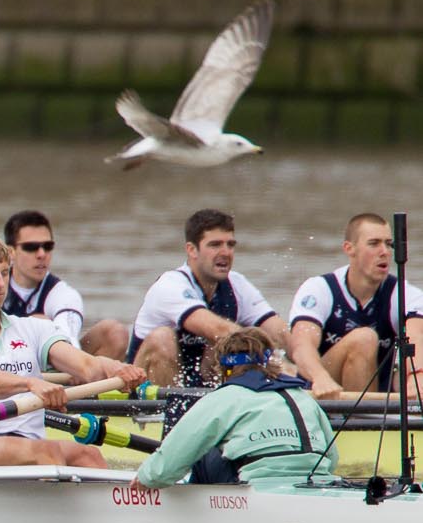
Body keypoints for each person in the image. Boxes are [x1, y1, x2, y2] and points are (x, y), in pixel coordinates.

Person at [0, 232, 148, 469]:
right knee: (47, 453)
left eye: (4, 273)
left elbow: (86, 366)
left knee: (88, 455)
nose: (0, 283)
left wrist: (116, 369)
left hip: (26, 440)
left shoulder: (32, 328)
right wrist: (31, 384)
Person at [133, 328, 337, 488]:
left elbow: (168, 464)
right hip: (317, 484)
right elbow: (332, 458)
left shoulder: (224, 398)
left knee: (204, 444)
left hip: (256, 487)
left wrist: (146, 478)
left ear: (224, 368)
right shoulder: (303, 398)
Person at [130, 207, 286, 388]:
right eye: (215, 245)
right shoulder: (170, 285)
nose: (226, 252)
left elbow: (280, 332)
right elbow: (216, 328)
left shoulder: (237, 284)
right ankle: (160, 414)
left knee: (228, 344)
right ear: (192, 250)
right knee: (164, 338)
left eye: (230, 245)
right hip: (144, 394)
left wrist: (302, 364)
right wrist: (274, 362)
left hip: (199, 387)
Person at [284, 212, 423, 401]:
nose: (385, 252)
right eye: (374, 244)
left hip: (375, 403)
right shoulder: (319, 289)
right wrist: (320, 377)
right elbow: (301, 345)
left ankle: (368, 419)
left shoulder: (404, 293)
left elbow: (417, 336)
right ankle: (363, 421)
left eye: (389, 244)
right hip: (321, 395)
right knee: (364, 339)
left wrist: (418, 378)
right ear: (349, 249)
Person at [1, 209, 129, 358]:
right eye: (31, 247)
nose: (42, 254)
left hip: (53, 364)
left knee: (114, 333)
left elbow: (67, 336)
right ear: (10, 252)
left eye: (48, 246)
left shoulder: (63, 295)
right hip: (0, 362)